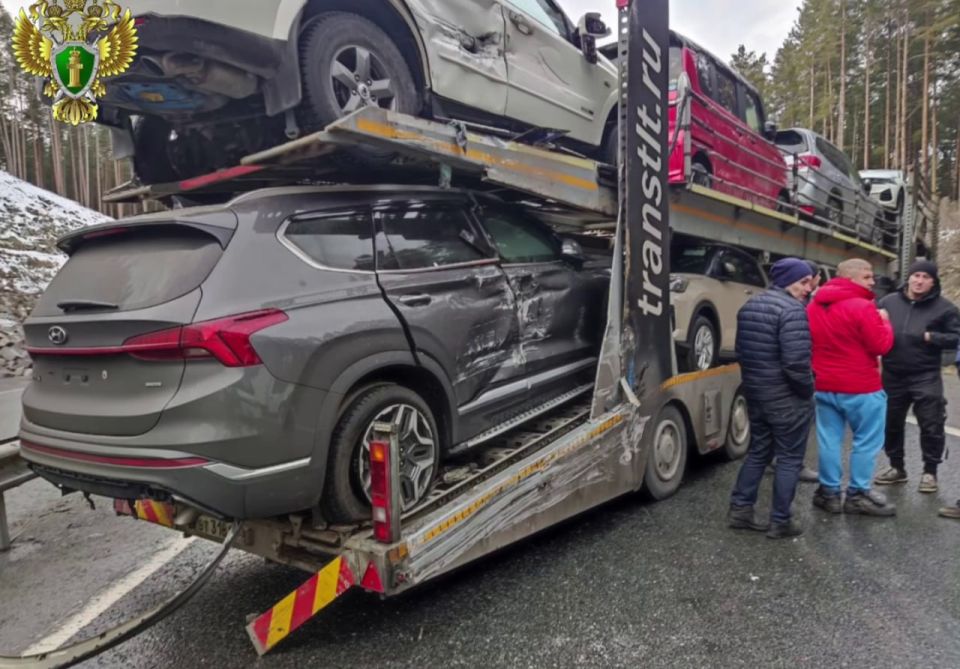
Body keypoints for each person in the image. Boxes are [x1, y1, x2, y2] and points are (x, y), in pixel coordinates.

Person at [729, 257, 814, 539]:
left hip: (757, 393)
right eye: (804, 282)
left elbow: (741, 352)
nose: (809, 288)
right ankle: (780, 520)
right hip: (787, 398)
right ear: (787, 281)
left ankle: (740, 510)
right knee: (789, 459)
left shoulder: (749, 306)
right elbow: (796, 363)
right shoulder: (793, 311)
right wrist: (807, 391)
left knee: (759, 451)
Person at [806, 258, 896, 516]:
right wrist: (885, 322)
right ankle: (857, 494)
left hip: (824, 384)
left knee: (829, 440)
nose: (873, 281)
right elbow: (880, 346)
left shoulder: (813, 305)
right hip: (861, 387)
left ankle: (829, 493)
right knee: (866, 441)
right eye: (867, 277)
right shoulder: (863, 306)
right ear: (850, 278)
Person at [875, 260, 960, 493]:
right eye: (916, 276)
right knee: (891, 423)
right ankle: (896, 467)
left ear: (933, 282)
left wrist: (932, 337)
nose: (919, 281)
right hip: (893, 373)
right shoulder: (888, 302)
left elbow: (955, 338)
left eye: (925, 277)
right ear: (909, 278)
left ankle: (930, 472)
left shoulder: (946, 308)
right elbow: (873, 328)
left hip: (925, 374)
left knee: (931, 424)